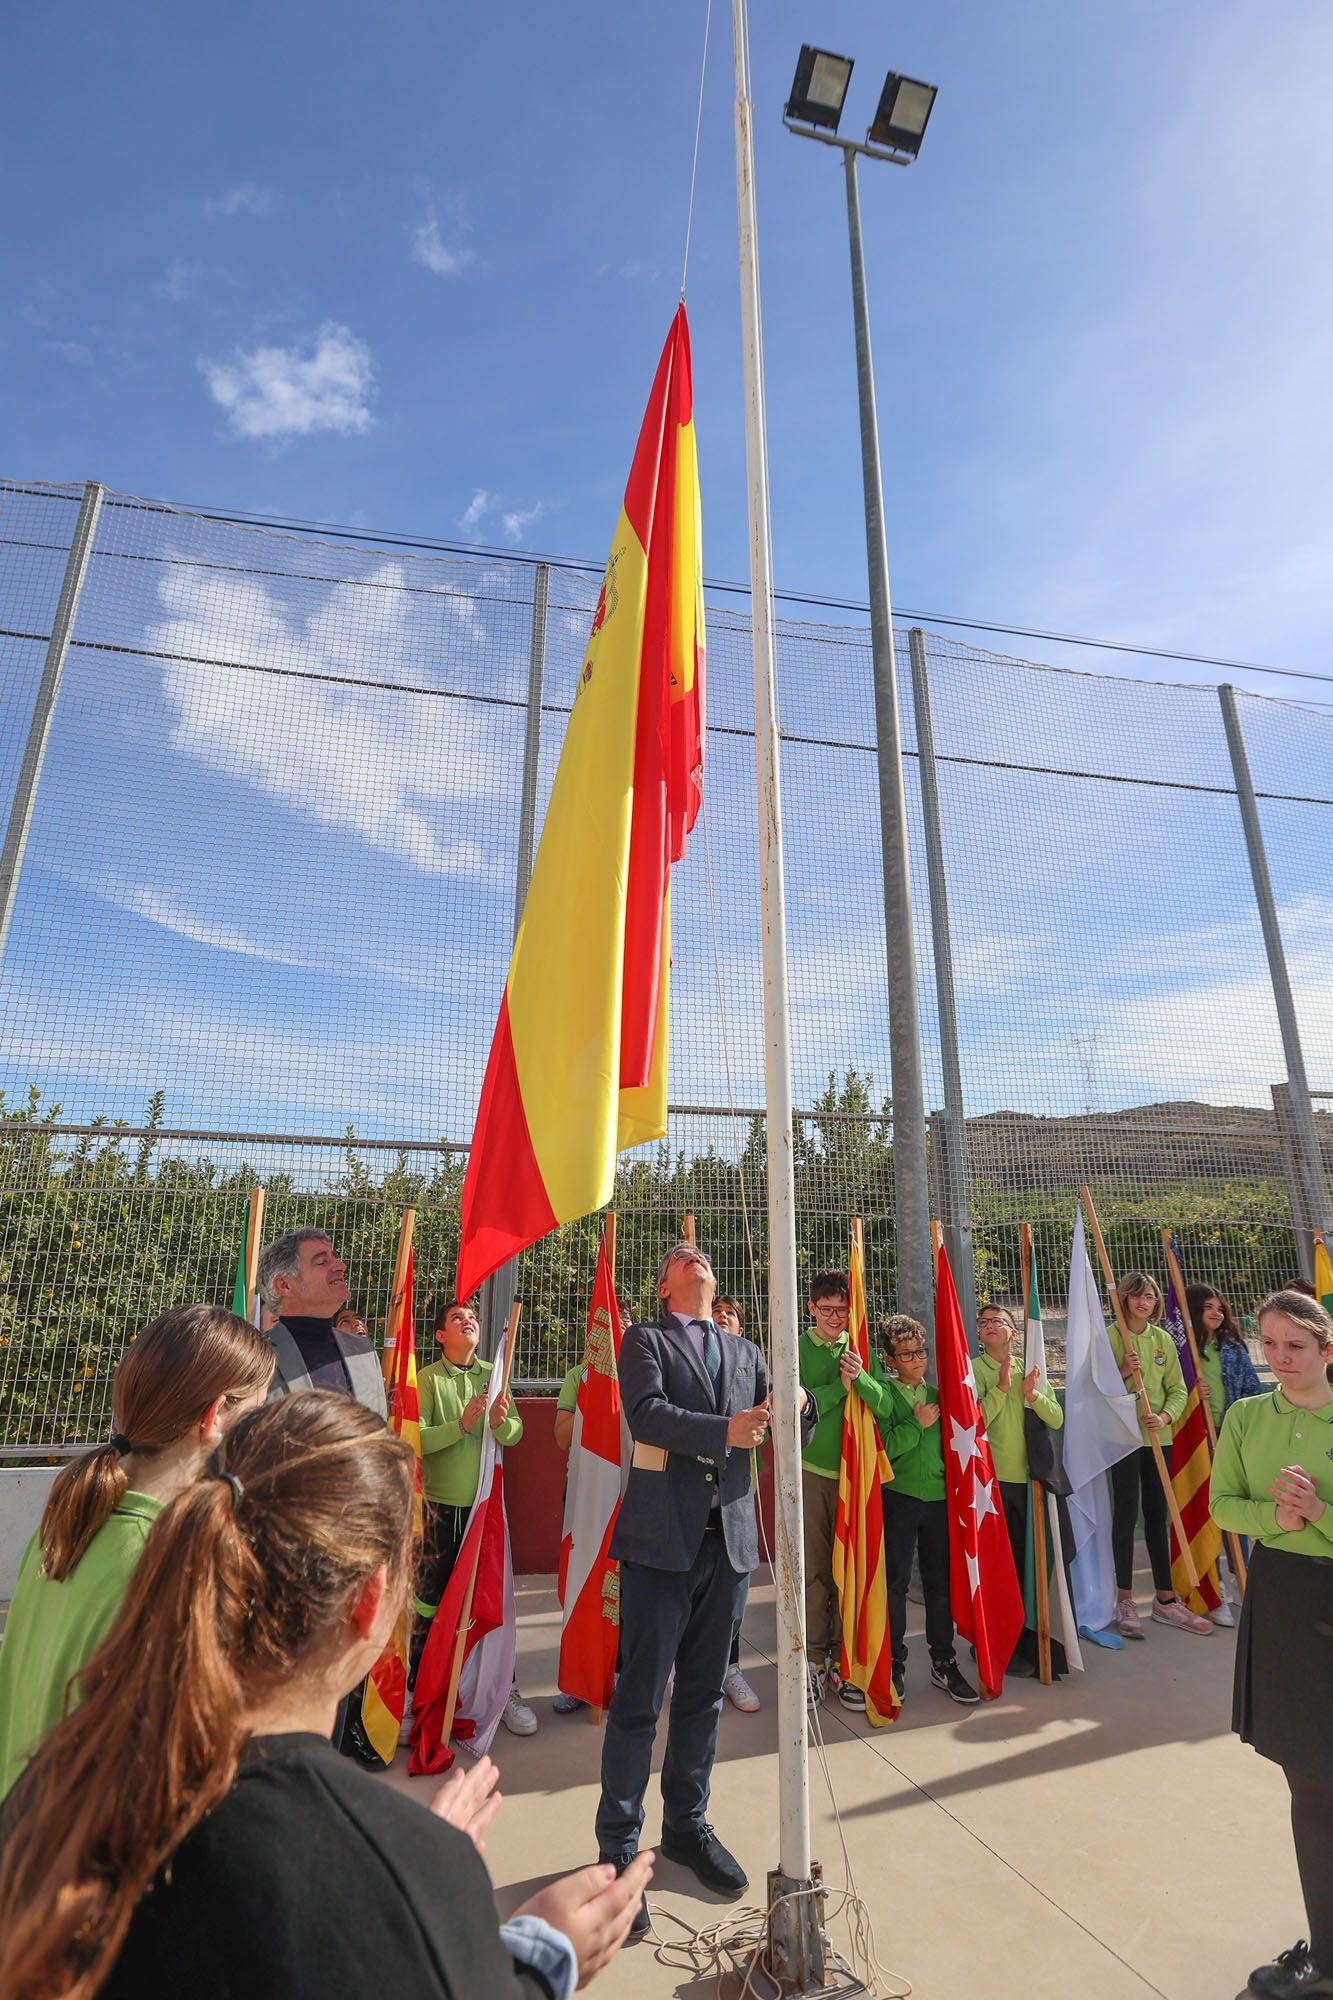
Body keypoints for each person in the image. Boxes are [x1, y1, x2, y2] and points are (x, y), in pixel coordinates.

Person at [0, 1392, 652, 2000]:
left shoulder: (62, 1779)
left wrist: (397, 1848)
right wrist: (540, 1959)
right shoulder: (399, 1872)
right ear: (372, 1602)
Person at [596, 1241, 812, 1939]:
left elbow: (781, 1422)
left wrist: (798, 1405)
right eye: (677, 1256)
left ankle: (684, 1827)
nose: (693, 1255)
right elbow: (648, 1415)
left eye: (700, 1252)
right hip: (661, 1545)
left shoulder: (744, 1351)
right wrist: (726, 1429)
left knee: (701, 1697)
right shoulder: (644, 1340)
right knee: (639, 1702)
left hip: (730, 1543)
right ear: (663, 1284)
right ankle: (618, 1853)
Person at [0, 1304, 273, 1802]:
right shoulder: (173, 1562)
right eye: (256, 1412)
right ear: (214, 1417)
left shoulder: (63, 1523)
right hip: (82, 1864)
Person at [1209, 1290, 1333, 2000]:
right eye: (1268, 1344)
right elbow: (1222, 1503)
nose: (1278, 1359)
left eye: (1294, 1346)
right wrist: (1277, 1517)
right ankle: (1323, 1955)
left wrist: (1316, 1511)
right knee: (1307, 1781)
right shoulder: (1246, 1415)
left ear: (1325, 1350)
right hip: (1283, 1602)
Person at [415, 1297, 536, 1737]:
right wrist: (462, 1426)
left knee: (488, 1600)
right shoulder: (427, 1380)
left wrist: (502, 1423)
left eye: (471, 1316)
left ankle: (502, 1691)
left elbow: (515, 1433)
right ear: (440, 1336)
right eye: (456, 1318)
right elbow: (416, 1440)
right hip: (439, 1510)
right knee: (429, 1602)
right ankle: (420, 1691)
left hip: (486, 1510)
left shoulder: (495, 1373)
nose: (467, 1320)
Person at [798, 1270, 894, 1711]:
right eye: (827, 1309)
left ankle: (846, 1661)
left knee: (852, 1570)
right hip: (814, 1471)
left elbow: (886, 1405)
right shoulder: (797, 1347)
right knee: (817, 1571)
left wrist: (862, 1379)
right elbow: (798, 1403)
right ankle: (815, 1660)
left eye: (842, 1309)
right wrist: (840, 1387)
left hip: (856, 1474)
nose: (836, 1317)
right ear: (811, 1308)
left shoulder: (857, 1347)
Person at [1105, 1270, 1212, 1640]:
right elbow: (1095, 1387)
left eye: (1149, 1296)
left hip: (1157, 1438)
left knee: (1156, 1515)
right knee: (1124, 1514)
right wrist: (1122, 1371)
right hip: (1123, 1438)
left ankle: (1166, 1600)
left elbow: (1178, 1390)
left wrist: (1164, 1415)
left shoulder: (1163, 1339)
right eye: (1136, 1295)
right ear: (1125, 1300)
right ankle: (1125, 1599)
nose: (1143, 1301)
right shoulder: (1112, 1337)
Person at [879, 1315, 979, 1705]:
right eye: (906, 1354)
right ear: (891, 1360)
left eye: (920, 1351)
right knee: (895, 1585)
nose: (917, 1359)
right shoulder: (885, 1398)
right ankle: (893, 1664)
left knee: (940, 1586)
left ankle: (944, 1661)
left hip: (939, 1501)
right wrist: (917, 1424)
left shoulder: (942, 1394)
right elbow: (883, 1448)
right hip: (898, 1498)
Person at [974, 1303, 1068, 1678]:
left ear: (1015, 1333)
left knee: (1028, 1567)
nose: (990, 1326)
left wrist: (1031, 1394)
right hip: (992, 1486)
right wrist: (999, 1389)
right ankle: (997, 1643)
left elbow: (1055, 1418)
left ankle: (1028, 1640)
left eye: (998, 1321)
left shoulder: (1028, 1367)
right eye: (983, 1322)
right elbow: (973, 1421)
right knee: (1000, 1569)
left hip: (1030, 1484)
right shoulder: (974, 1369)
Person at [258, 1229, 386, 1418]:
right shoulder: (254, 1356)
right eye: (322, 1262)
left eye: (335, 1258)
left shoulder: (364, 1350)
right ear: (285, 1285)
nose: (341, 1266)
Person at [712, 1293, 761, 1714]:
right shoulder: (679, 1360)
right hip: (686, 1507)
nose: (723, 1316)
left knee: (732, 1602)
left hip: (734, 1503)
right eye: (716, 1311)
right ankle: (689, 1673)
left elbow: (775, 1404)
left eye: (731, 1314)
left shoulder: (751, 1359)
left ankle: (730, 1670)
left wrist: (800, 1403)